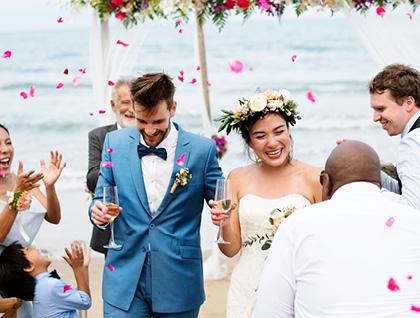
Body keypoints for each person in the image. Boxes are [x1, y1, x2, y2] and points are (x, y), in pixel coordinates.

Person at [89, 72, 223, 317]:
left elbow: (221, 200)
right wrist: (96, 211)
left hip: (179, 279)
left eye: (158, 122)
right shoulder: (113, 143)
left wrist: (222, 211)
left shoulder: (202, 151)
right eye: (142, 121)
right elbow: (101, 197)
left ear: (173, 107)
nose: (149, 131)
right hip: (124, 277)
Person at [253, 141, 420, 318]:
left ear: (325, 181)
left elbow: (270, 312)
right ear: (378, 181)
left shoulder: (296, 226)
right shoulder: (415, 221)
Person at [214, 89, 322, 317]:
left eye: (279, 131)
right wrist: (223, 224)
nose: (272, 142)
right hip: (246, 286)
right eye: (260, 135)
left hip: (297, 289)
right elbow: (230, 249)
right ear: (250, 142)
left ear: (289, 130)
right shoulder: (236, 178)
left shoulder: (315, 178)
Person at [0, 124, 66, 317]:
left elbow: (54, 217)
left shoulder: (24, 180)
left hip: (24, 274)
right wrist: (16, 195)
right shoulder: (22, 185)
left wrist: (50, 187)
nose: (5, 149)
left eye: (8, 142)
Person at [86, 77, 135, 255]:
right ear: (113, 105)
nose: (131, 109)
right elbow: (92, 179)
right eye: (125, 103)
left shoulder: (149, 135)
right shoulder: (99, 136)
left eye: (136, 102)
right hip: (110, 226)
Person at [369, 64, 420, 209]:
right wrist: (364, 163)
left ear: (409, 103)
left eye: (381, 109)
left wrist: (366, 193)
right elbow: (405, 190)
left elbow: (412, 207)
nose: (375, 117)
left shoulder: (413, 140)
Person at [0, 241, 91, 318]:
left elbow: (78, 294)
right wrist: (78, 270)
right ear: (29, 266)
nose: (33, 247)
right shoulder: (50, 286)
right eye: (27, 250)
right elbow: (85, 301)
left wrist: (83, 269)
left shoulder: (43, 287)